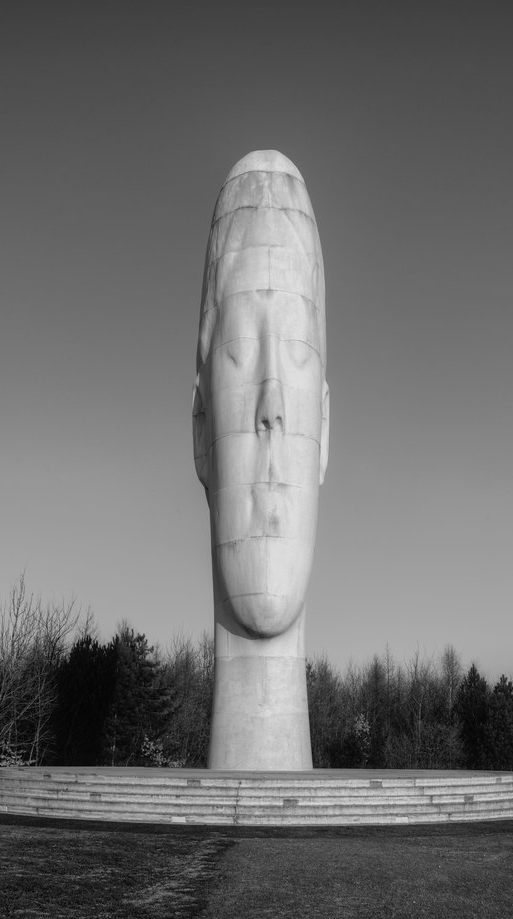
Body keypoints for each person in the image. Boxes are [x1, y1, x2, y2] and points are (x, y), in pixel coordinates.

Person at [193, 150, 329, 769]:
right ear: (200, 432)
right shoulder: (232, 426)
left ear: (323, 434)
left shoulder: (286, 418)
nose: (271, 404)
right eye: (242, 349)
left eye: (298, 350)